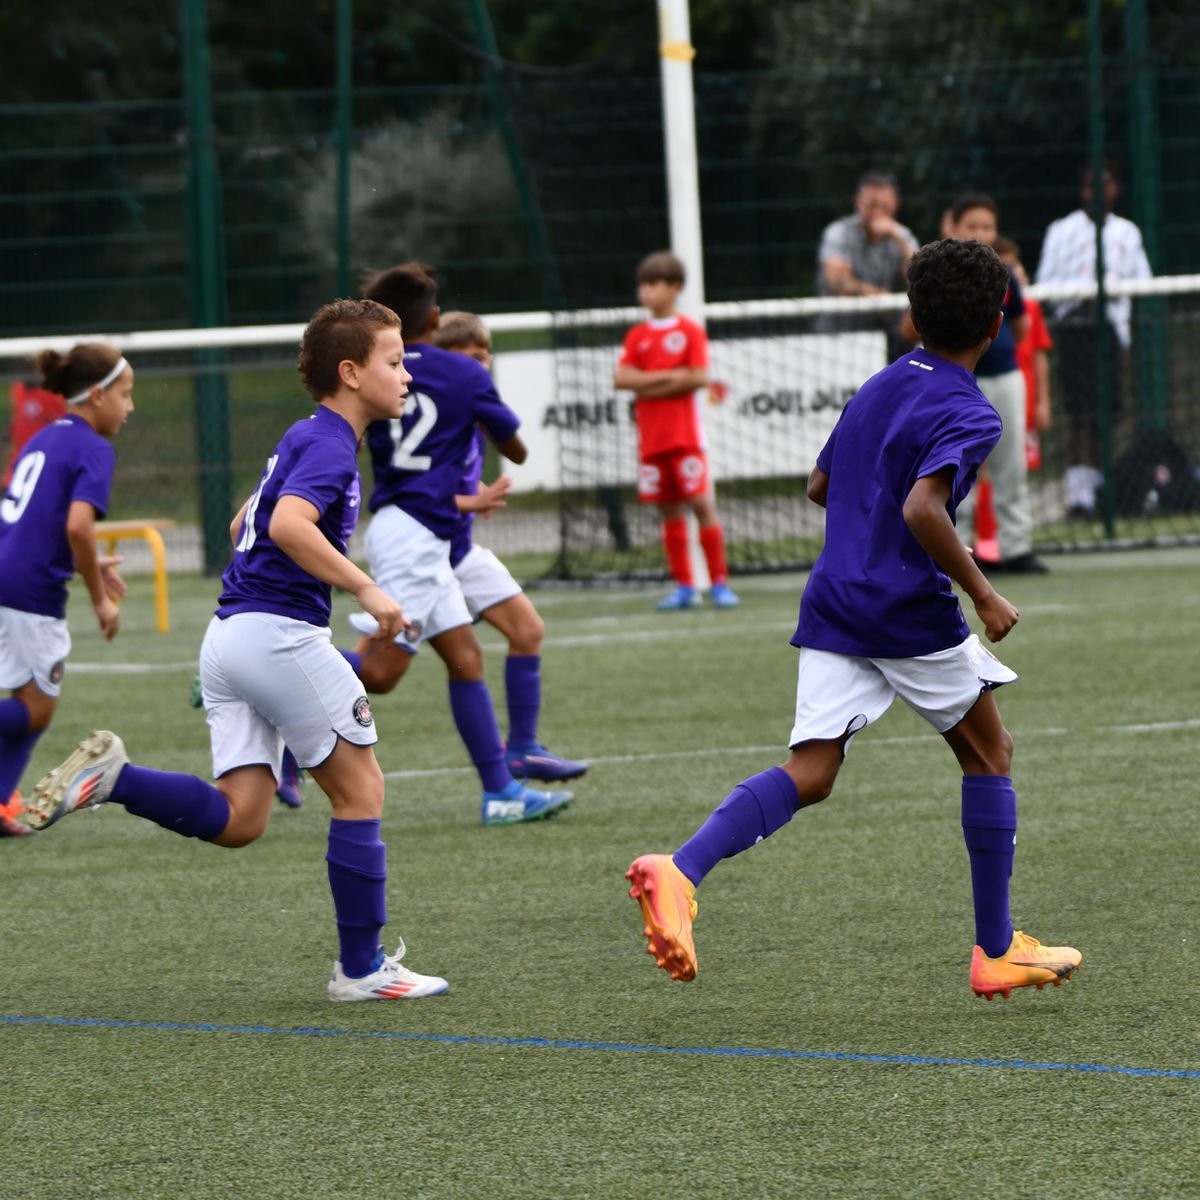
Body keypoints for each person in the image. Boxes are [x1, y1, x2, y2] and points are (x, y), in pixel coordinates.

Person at [626, 238, 1081, 1001]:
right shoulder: (971, 409)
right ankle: (997, 949)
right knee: (991, 753)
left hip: (835, 598)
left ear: (911, 319)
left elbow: (818, 485)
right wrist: (983, 592)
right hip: (904, 610)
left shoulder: (879, 386)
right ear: (998, 323)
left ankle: (682, 868)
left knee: (813, 770)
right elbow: (922, 507)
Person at [23, 298, 449, 1003]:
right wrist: (368, 592)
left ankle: (116, 779)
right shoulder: (334, 444)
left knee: (242, 817)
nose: (407, 376)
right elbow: (284, 523)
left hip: (229, 638)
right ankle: (361, 969)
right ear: (350, 372)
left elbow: (239, 521)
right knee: (362, 789)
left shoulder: (304, 434)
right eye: (395, 362)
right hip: (276, 636)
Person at [348, 263, 574, 826]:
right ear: (434, 318)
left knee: (466, 658)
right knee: (381, 673)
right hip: (418, 534)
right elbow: (516, 449)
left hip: (414, 529)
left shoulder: (373, 374)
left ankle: (500, 790)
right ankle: (267, 675)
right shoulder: (463, 372)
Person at [427, 310, 586, 783]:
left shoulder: (468, 408)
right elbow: (413, 492)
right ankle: (283, 716)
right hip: (424, 555)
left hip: (460, 550)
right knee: (379, 669)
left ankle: (522, 749)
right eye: (472, 358)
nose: (482, 366)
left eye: (486, 356)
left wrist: (472, 500)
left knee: (527, 630)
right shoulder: (435, 410)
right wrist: (470, 499)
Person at [0, 343, 131, 838]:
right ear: (97, 396)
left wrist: (86, 563)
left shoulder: (41, 437)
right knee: (37, 707)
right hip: (30, 590)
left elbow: (32, 518)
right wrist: (99, 597)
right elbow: (79, 526)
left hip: (8, 568)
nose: (131, 406)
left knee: (29, 701)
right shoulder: (95, 448)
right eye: (126, 393)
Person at [613, 251, 740, 611]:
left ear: (675, 288)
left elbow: (698, 377)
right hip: (651, 441)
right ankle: (685, 586)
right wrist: (672, 377)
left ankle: (718, 583)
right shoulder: (637, 335)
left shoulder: (688, 331)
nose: (645, 292)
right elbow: (622, 378)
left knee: (701, 504)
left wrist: (646, 382)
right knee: (668, 511)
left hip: (685, 438)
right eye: (642, 285)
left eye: (653, 284)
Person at [1035, 163, 1152, 519]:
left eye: (1106, 184)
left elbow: (1142, 281)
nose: (1098, 192)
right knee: (1079, 415)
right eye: (1091, 185)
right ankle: (1079, 498)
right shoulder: (1061, 231)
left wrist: (1111, 297)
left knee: (1106, 415)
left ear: (1116, 188)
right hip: (1075, 329)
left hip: (1111, 331)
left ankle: (1103, 491)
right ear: (1082, 190)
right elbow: (1045, 284)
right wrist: (1080, 298)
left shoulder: (1128, 233)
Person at [944, 193, 1046, 574]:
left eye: (987, 226)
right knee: (953, 466)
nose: (981, 233)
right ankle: (958, 550)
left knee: (1010, 463)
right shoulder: (939, 273)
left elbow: (1021, 326)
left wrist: (993, 349)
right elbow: (911, 326)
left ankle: (1016, 546)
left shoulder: (1003, 275)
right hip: (957, 383)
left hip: (1004, 377)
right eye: (972, 226)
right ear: (952, 228)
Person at [815, 170, 920, 362]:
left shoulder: (901, 235)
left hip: (882, 338)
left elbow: (920, 278)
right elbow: (838, 282)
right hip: (835, 337)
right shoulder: (838, 232)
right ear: (858, 201)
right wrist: (876, 295)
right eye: (872, 205)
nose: (878, 212)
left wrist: (898, 238)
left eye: (884, 206)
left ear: (895, 205)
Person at [4, 379, 67, 487]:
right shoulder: (17, 388)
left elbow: (64, 429)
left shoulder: (53, 394)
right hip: (16, 469)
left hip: (42, 469)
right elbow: (16, 418)